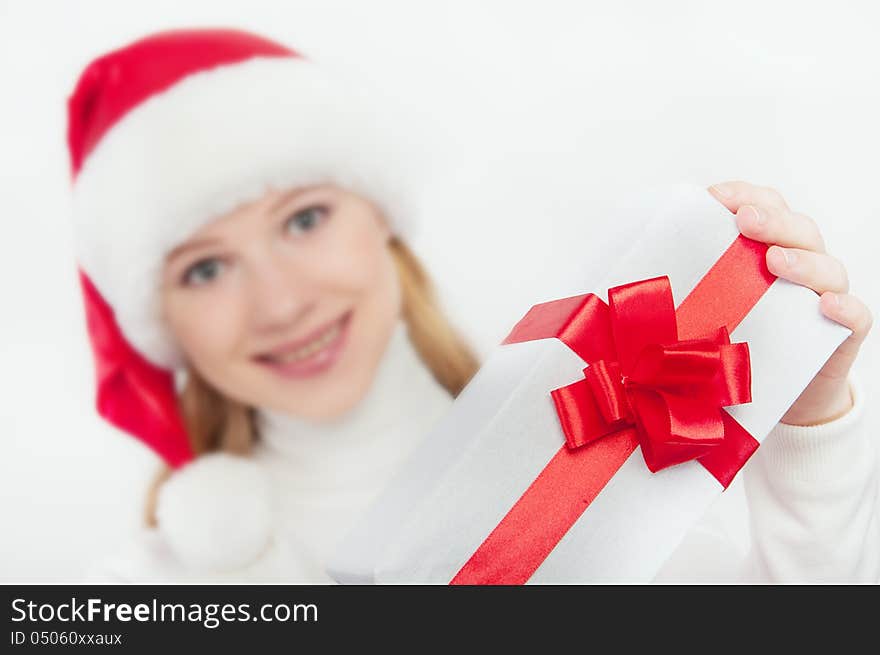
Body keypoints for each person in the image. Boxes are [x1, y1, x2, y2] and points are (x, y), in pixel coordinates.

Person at [66, 28, 876, 583]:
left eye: (304, 219)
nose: (280, 302)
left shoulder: (576, 450)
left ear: (380, 217)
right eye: (205, 269)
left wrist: (810, 427)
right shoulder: (144, 589)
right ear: (158, 318)